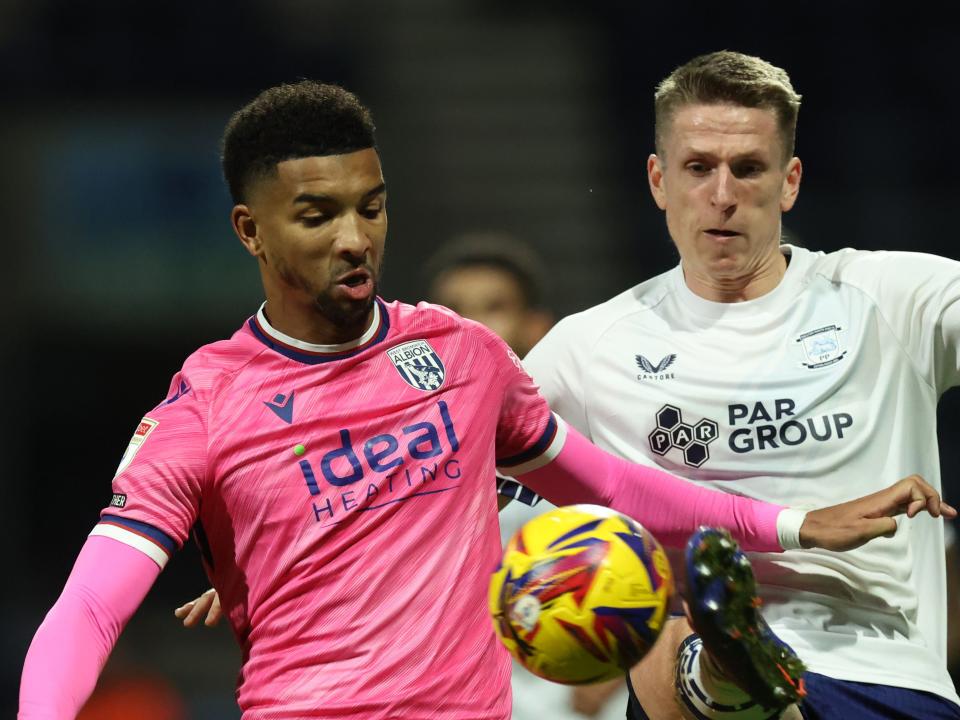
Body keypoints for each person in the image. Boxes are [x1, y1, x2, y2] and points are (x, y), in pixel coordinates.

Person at [18, 80, 952, 720]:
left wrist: (794, 526)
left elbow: (615, 492)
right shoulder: (205, 405)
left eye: (371, 206)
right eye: (317, 216)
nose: (355, 238)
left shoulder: (462, 357)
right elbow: (90, 610)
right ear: (249, 230)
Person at [520, 51, 960, 719]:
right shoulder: (589, 348)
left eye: (747, 169)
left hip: (879, 670)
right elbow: (449, 473)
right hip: (682, 668)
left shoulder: (894, 298)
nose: (722, 194)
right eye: (699, 168)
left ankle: (735, 674)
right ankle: (729, 667)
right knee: (675, 626)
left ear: (789, 183)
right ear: (658, 179)